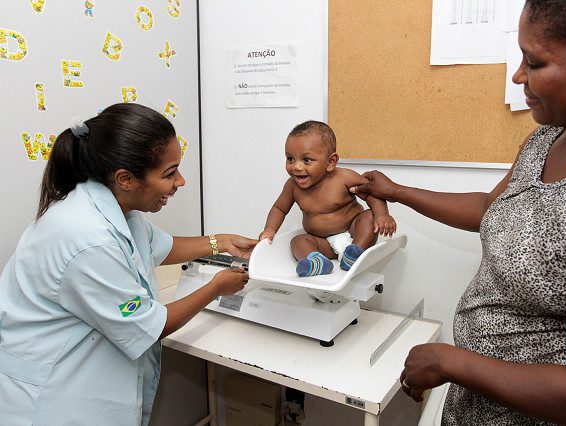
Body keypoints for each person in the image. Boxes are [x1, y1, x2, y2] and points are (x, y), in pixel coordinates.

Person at [350, 1, 566, 424]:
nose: (519, 75)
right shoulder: (550, 138)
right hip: (477, 407)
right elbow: (493, 208)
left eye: (535, 62)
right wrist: (397, 191)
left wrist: (451, 363)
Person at [0, 103, 258, 425]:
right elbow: (153, 327)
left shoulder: (113, 205)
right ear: (126, 178)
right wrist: (217, 286)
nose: (180, 182)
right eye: (169, 173)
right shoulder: (87, 239)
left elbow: (160, 247)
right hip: (53, 399)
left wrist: (221, 242)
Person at [259, 120, 396, 277]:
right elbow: (279, 208)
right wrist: (270, 229)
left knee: (369, 216)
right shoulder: (292, 186)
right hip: (322, 242)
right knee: (297, 241)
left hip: (353, 234)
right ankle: (318, 261)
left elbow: (372, 192)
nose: (296, 167)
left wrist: (382, 215)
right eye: (290, 159)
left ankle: (355, 253)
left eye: (306, 160)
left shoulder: (345, 177)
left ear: (331, 162)